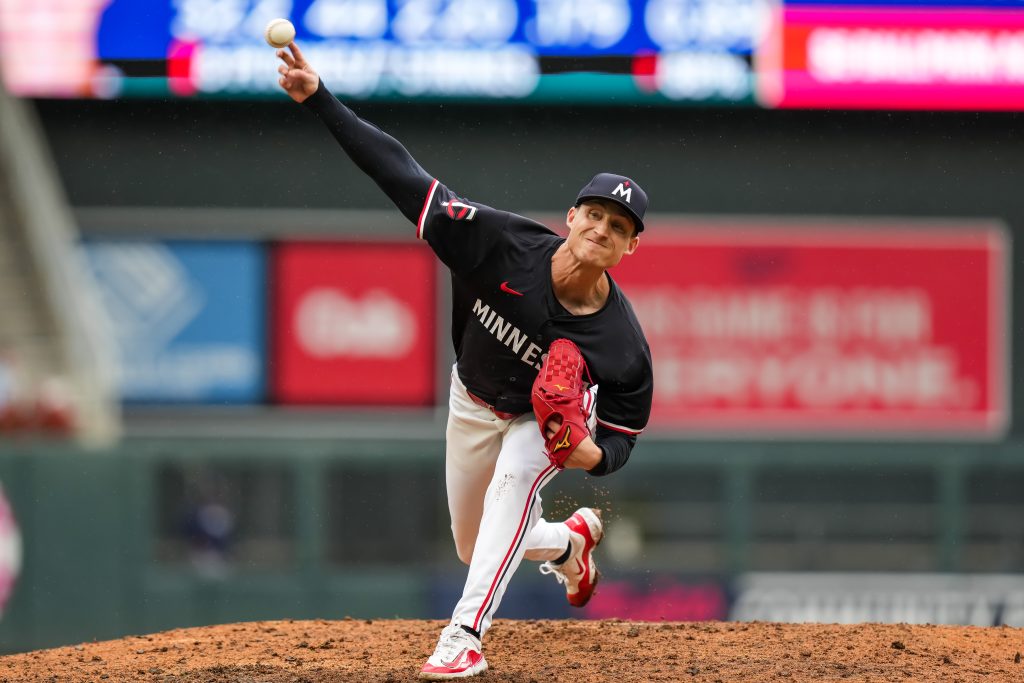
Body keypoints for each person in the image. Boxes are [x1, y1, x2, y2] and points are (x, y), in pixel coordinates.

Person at [275, 42, 653, 680]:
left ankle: (463, 636)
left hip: (540, 422)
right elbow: (399, 172)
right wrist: (320, 99)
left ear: (630, 249)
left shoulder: (619, 342)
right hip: (472, 398)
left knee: (512, 487)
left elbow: (622, 432)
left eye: (619, 227)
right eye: (594, 214)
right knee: (473, 543)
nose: (601, 230)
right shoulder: (497, 242)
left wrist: (587, 454)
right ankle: (567, 543)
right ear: (570, 217)